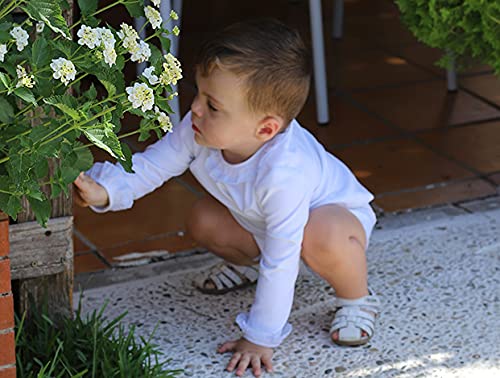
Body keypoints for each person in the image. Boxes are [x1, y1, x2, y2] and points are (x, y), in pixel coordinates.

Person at [74, 18, 380, 377]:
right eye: (199, 94)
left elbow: (281, 260)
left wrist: (260, 337)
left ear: (265, 129)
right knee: (203, 218)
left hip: (336, 225)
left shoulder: (285, 173)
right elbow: (151, 165)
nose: (196, 109)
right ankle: (246, 264)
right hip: (261, 224)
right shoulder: (199, 127)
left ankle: (357, 299)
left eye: (213, 105)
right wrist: (105, 189)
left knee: (321, 234)